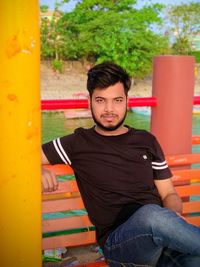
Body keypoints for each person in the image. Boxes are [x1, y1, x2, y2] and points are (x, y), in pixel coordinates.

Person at [42, 62, 200, 267]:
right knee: (151, 215)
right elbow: (22, 155)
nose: (109, 109)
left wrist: (169, 223)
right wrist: (38, 169)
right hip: (121, 247)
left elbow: (169, 194)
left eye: (117, 100)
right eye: (100, 100)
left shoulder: (146, 140)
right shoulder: (77, 143)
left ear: (127, 101)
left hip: (161, 242)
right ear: (90, 101)